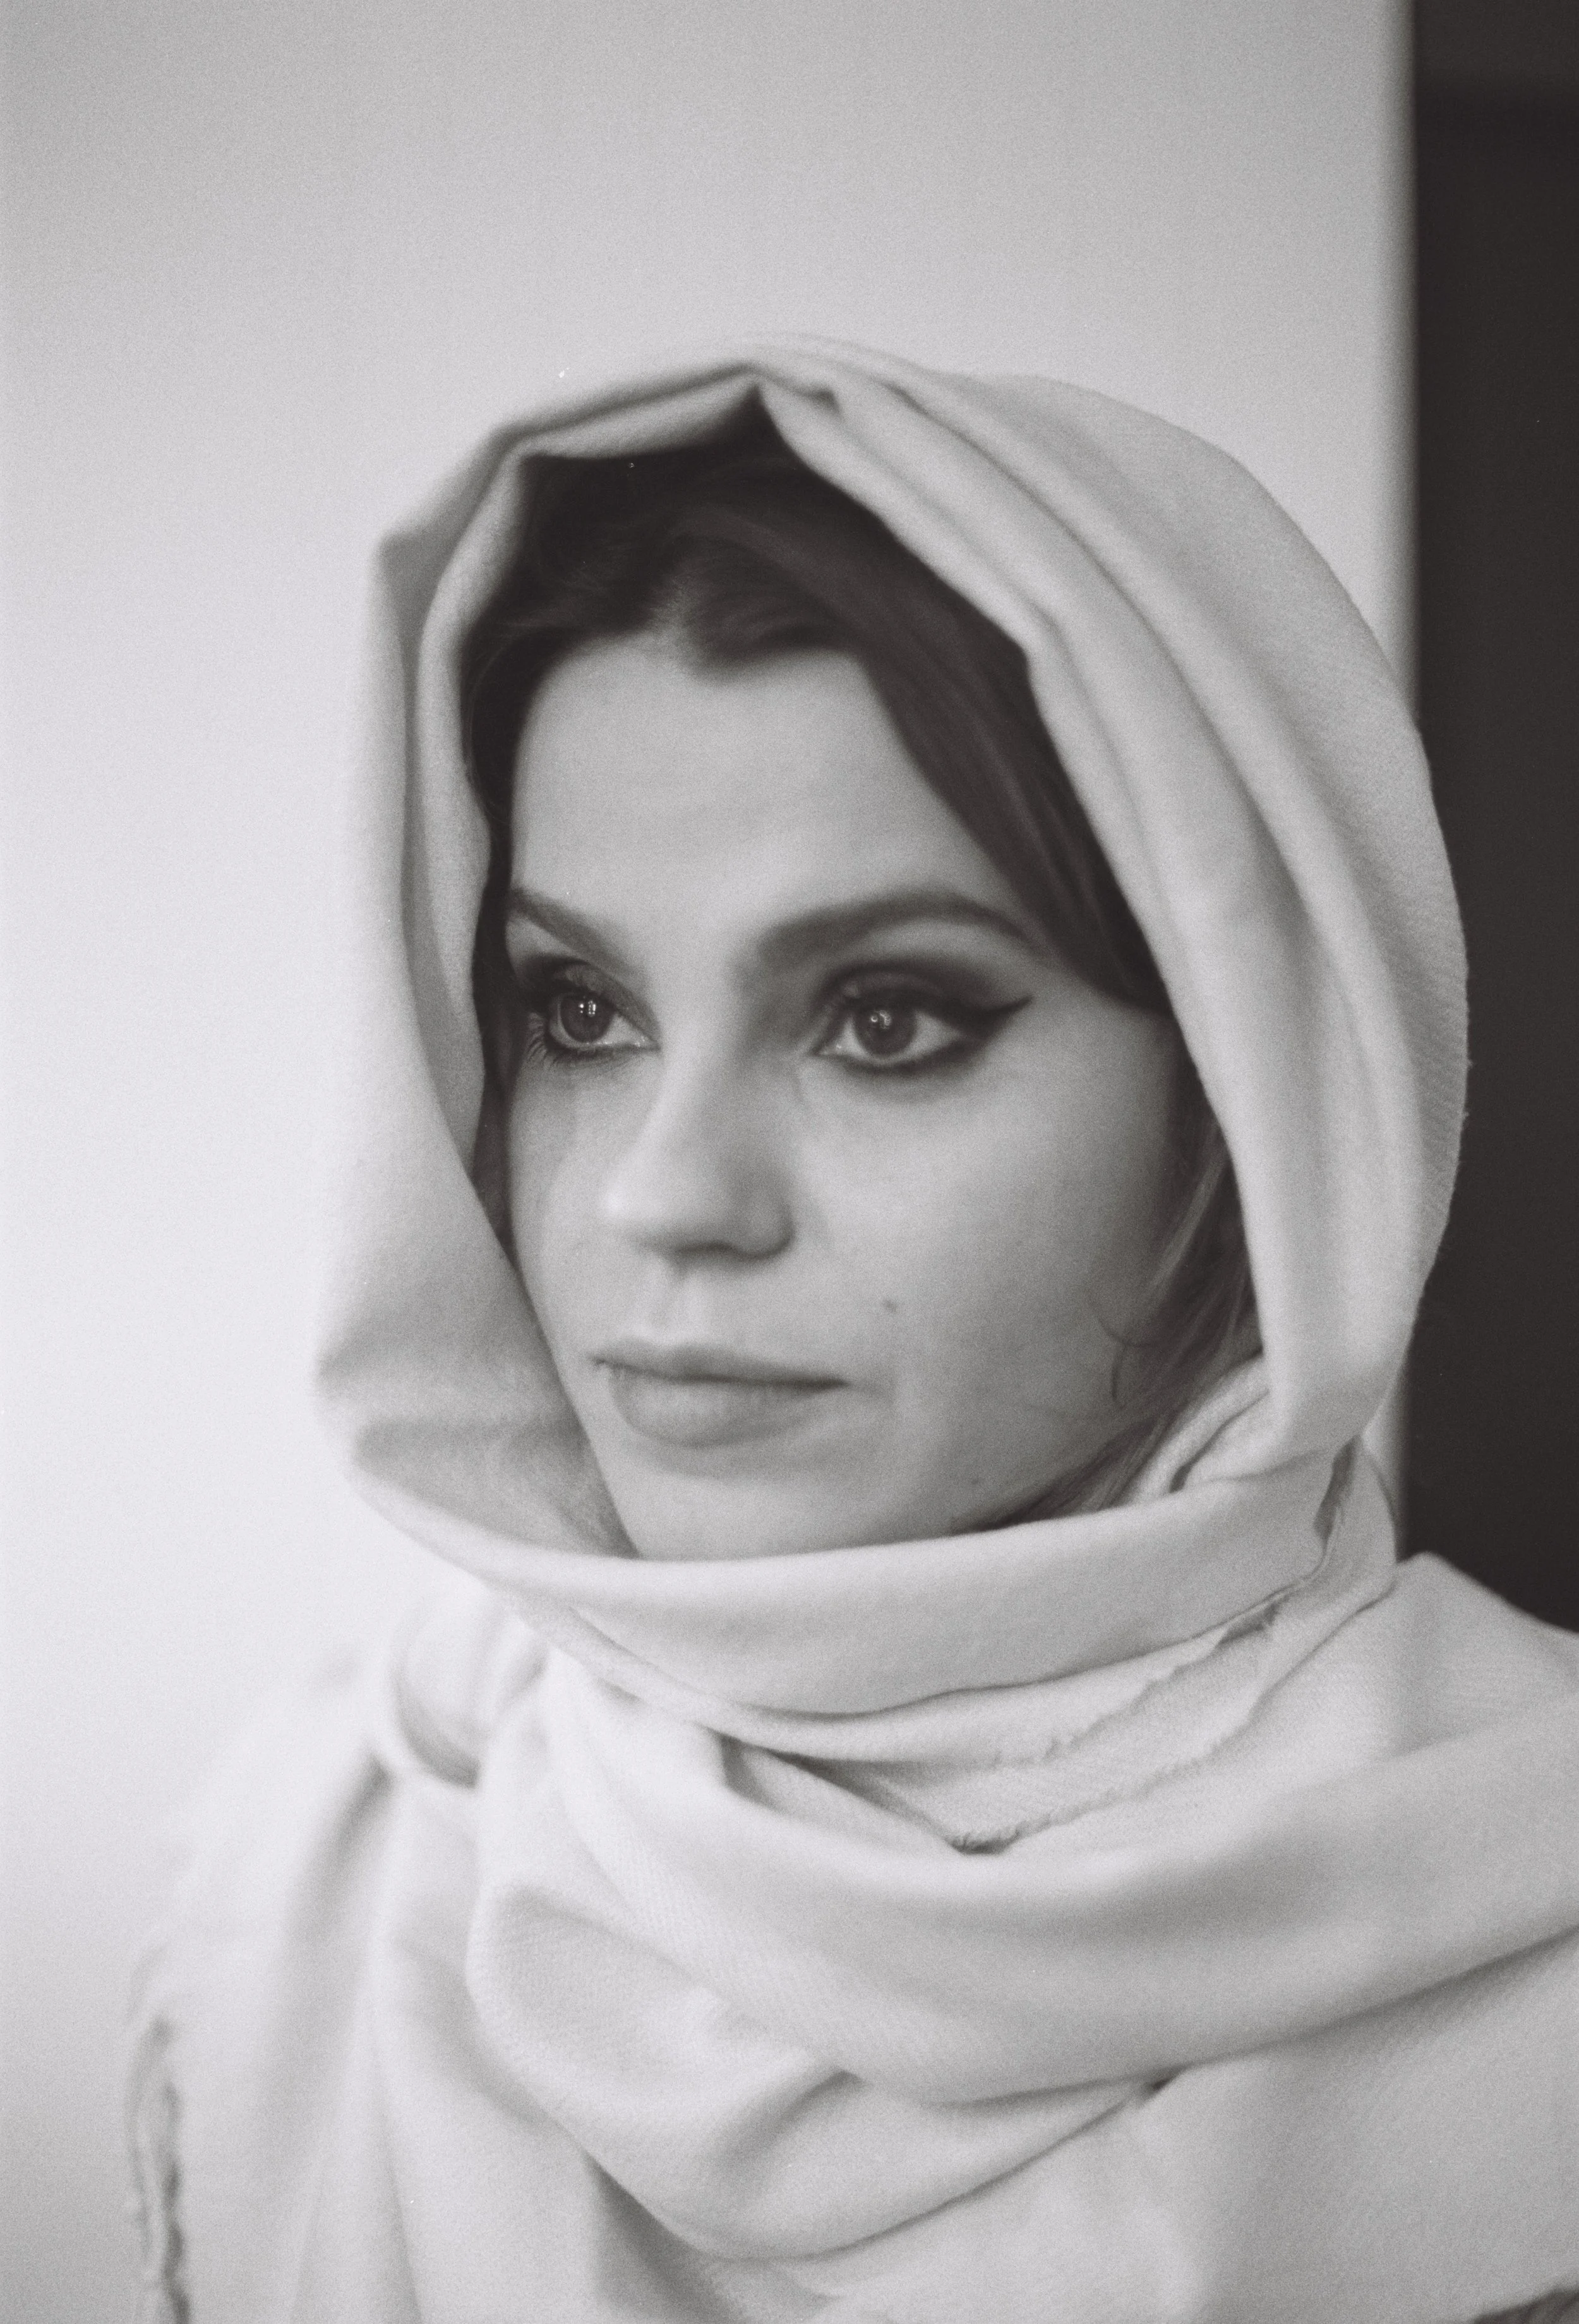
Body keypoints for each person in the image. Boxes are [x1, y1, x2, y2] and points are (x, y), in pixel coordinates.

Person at [128, 340, 1579, 2323]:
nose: (661, 1192)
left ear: (1257, 1104)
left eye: (887, 1017)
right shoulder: (343, 1849)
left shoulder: (1532, 1920)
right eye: (578, 1010)